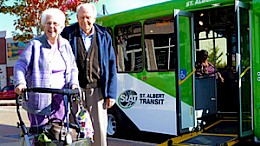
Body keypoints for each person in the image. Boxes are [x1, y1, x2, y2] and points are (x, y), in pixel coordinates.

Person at [61, 3, 117, 146]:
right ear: (77, 17)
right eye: (81, 17)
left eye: (88, 17)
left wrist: (111, 93)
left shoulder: (104, 35)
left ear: (94, 18)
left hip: (97, 89)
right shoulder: (68, 34)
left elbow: (111, 65)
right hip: (75, 89)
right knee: (74, 129)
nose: (84, 21)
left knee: (99, 129)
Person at [14, 8, 79, 129]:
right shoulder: (35, 44)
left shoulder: (65, 45)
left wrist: (74, 83)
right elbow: (20, 64)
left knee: (59, 133)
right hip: (40, 98)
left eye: (55, 23)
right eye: (48, 23)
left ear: (61, 27)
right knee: (40, 135)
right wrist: (20, 83)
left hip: (61, 98)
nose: (51, 27)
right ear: (44, 25)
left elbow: (73, 68)